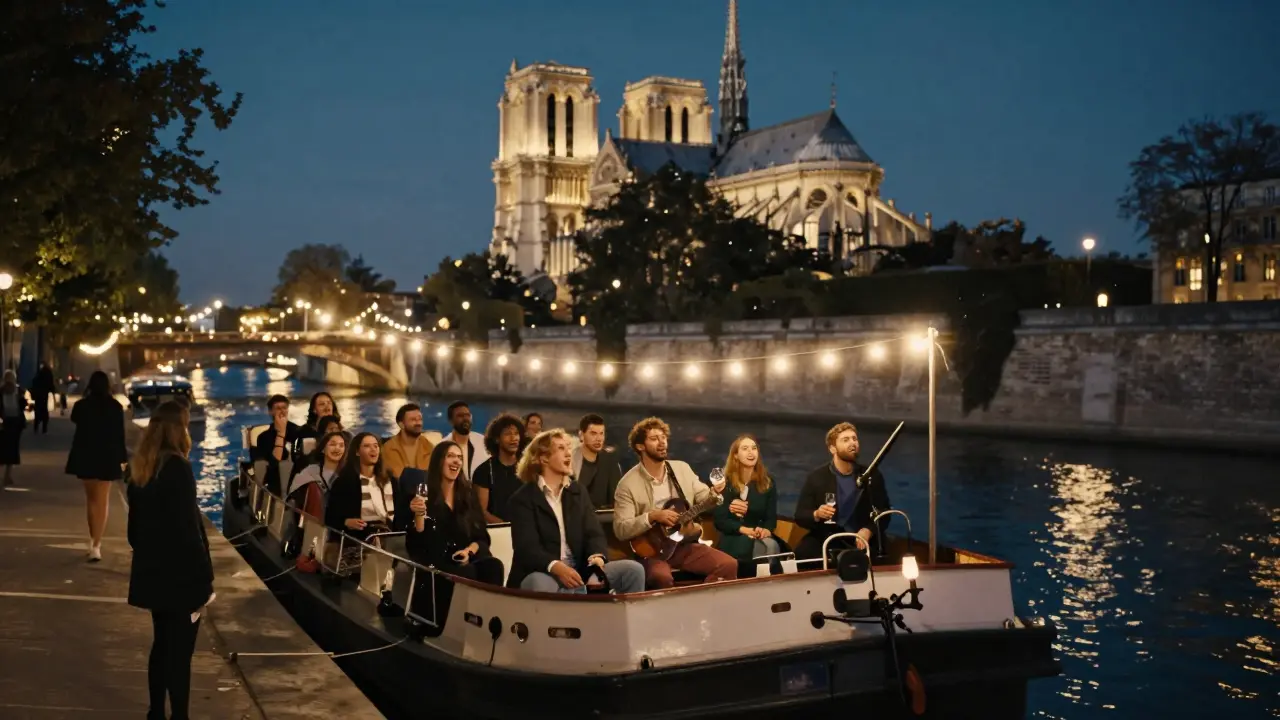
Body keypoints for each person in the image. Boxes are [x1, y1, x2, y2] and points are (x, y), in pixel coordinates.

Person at [125, 401, 213, 720]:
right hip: (182, 579)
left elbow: (133, 534)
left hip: (153, 576)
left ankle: (156, 713)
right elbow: (190, 532)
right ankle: (180, 716)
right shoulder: (178, 467)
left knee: (161, 646)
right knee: (181, 655)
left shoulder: (140, 469)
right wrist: (206, 580)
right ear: (180, 430)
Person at [507, 429, 645, 594]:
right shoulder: (522, 499)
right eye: (560, 448)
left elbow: (594, 533)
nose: (568, 454)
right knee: (540, 583)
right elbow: (527, 548)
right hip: (544, 571)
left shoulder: (578, 491)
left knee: (633, 571)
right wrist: (557, 567)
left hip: (580, 569)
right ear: (543, 458)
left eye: (568, 448)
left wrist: (596, 556)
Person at [613, 417, 737, 589]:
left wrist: (715, 493)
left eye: (663, 437)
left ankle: (706, 610)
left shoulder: (681, 469)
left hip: (683, 544)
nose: (662, 442)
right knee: (660, 578)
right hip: (652, 552)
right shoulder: (627, 484)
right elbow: (621, 529)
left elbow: (704, 497)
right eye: (654, 438)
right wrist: (653, 516)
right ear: (640, 446)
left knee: (728, 565)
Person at [405, 441, 504, 586]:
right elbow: (416, 547)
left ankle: (488, 609)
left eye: (460, 457)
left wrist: (468, 552)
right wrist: (418, 515)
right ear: (439, 461)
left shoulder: (468, 496)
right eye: (450, 456)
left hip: (466, 560)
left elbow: (482, 538)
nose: (456, 460)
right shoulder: (422, 497)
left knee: (494, 566)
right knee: (466, 573)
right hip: (436, 568)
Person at [793, 422, 893, 562]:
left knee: (889, 555)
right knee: (802, 553)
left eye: (854, 439)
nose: (852, 443)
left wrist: (868, 530)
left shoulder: (871, 475)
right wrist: (816, 514)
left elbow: (884, 512)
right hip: (829, 537)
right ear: (832, 448)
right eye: (845, 440)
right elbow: (800, 516)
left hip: (862, 537)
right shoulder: (817, 477)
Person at [65, 371, 128, 562]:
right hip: (107, 456)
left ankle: (93, 541)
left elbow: (75, 419)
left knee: (91, 500)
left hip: (86, 455)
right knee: (103, 500)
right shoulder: (115, 407)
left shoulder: (81, 406)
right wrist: (122, 459)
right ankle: (96, 545)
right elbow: (120, 435)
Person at [712, 435, 784, 576]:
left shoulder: (767, 482)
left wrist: (766, 531)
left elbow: (771, 520)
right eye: (745, 449)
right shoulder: (724, 484)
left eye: (754, 448)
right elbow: (720, 521)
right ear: (736, 456)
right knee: (765, 547)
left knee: (770, 544)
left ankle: (768, 586)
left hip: (758, 535)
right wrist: (745, 530)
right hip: (734, 536)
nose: (751, 452)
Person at [325, 432, 400, 542]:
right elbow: (329, 517)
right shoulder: (345, 481)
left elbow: (401, 513)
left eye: (376, 446)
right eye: (367, 446)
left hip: (390, 537)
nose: (373, 449)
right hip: (359, 539)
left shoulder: (390, 480)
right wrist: (346, 522)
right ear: (357, 452)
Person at [473, 413, 524, 523]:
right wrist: (506, 527)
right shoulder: (484, 471)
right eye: (507, 434)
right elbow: (481, 512)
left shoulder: (527, 468)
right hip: (498, 532)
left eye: (516, 433)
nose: (513, 438)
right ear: (496, 439)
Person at [572, 413, 623, 509]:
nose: (599, 439)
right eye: (593, 433)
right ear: (581, 435)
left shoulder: (609, 461)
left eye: (601, 433)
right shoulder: (570, 460)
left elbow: (616, 498)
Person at [253, 394, 302, 494]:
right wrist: (281, 433)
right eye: (278, 408)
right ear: (271, 412)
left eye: (284, 408)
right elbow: (272, 463)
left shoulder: (298, 431)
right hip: (273, 479)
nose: (282, 411)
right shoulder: (264, 437)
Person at [382, 403, 434, 482]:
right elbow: (399, 479)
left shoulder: (428, 446)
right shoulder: (389, 448)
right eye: (413, 420)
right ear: (401, 425)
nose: (418, 423)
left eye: (420, 419)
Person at [446, 401, 488, 481]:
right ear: (451, 420)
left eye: (468, 415)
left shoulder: (483, 441)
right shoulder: (443, 446)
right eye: (460, 416)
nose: (465, 419)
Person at [1, 369, 27, 487]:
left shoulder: (1, 391)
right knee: (12, 449)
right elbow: (23, 405)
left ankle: (6, 475)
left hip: (4, 422)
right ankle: (7, 475)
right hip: (15, 423)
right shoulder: (18, 391)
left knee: (2, 448)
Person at [31, 362, 55, 434]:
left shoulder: (38, 376)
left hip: (38, 395)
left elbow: (34, 383)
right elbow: (51, 384)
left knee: (37, 410)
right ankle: (44, 428)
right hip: (44, 395)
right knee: (44, 410)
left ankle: (36, 426)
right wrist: (52, 391)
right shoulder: (48, 374)